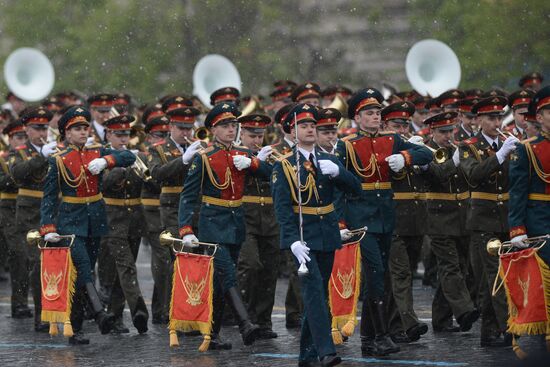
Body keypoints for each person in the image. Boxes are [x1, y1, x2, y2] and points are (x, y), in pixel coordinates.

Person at [335, 88, 432, 356]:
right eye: (370, 113)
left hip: (386, 218)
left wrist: (406, 157)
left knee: (382, 279)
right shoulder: (347, 145)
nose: (376, 116)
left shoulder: (392, 139)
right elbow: (338, 187)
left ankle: (369, 339)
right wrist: (341, 223)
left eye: (378, 112)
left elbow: (427, 155)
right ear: (357, 117)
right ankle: (380, 335)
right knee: (376, 276)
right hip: (360, 220)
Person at [271, 103, 361, 367]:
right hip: (304, 237)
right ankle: (326, 351)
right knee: (312, 294)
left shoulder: (329, 160)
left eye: (313, 125)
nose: (310, 129)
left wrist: (340, 173)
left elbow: (357, 190)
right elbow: (282, 209)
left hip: (328, 234)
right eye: (304, 125)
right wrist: (292, 241)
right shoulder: (284, 165)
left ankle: (307, 356)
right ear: (292, 130)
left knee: (319, 295)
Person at [39, 106, 136, 344]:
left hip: (95, 219)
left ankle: (76, 328)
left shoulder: (97, 152)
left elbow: (130, 156)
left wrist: (107, 160)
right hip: (71, 221)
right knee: (83, 267)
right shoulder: (58, 160)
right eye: (77, 129)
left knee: (83, 275)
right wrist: (48, 227)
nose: (83, 132)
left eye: (85, 128)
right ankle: (99, 314)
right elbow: (50, 198)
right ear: (66, 133)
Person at [178, 102, 271, 349]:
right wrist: (186, 229)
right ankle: (245, 323)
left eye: (233, 125)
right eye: (225, 126)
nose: (231, 129)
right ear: (213, 130)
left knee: (220, 282)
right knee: (228, 273)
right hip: (212, 223)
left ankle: (212, 335)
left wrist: (253, 164)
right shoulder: (204, 158)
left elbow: (271, 174)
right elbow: (188, 196)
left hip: (236, 222)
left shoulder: (243, 153)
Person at [460, 96, 519, 347]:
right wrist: (499, 157)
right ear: (479, 121)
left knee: (493, 278)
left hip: (507, 217)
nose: (497, 122)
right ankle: (509, 327)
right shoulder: (468, 146)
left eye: (499, 117)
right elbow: (472, 175)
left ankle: (489, 332)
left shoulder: (508, 142)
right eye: (491, 118)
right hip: (483, 219)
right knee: (496, 275)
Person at [423, 112, 479, 333]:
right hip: (438, 218)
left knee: (462, 267)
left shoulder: (459, 149)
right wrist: (455, 161)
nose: (448, 136)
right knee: (449, 266)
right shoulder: (424, 151)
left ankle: (441, 319)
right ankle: (464, 310)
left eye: (450, 131)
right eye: (442, 132)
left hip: (463, 217)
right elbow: (437, 175)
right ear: (432, 132)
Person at [380, 101, 428, 343]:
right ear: (384, 124)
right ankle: (408, 323)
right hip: (392, 220)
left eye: (404, 124)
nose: (401, 129)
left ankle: (393, 325)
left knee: (401, 275)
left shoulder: (407, 146)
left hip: (414, 221)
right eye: (396, 124)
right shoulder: (380, 145)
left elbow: (429, 157)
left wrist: (410, 154)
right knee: (399, 275)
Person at [9, 107, 57, 332]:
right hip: (29, 215)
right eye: (37, 128)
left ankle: (57, 311)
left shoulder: (55, 150)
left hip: (54, 212)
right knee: (36, 265)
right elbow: (18, 173)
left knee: (54, 263)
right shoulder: (19, 152)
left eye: (44, 128)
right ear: (26, 130)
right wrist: (41, 157)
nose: (41, 132)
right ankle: (41, 315)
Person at [100, 114, 149, 334]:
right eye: (118, 135)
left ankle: (114, 315)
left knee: (121, 270)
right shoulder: (100, 155)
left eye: (125, 135)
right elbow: (105, 184)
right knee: (125, 266)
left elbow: (151, 182)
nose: (123, 139)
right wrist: (120, 165)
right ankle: (139, 309)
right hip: (112, 217)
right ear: (108, 134)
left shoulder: (135, 157)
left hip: (135, 219)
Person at [236, 113, 280, 339]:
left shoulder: (269, 156)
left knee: (269, 271)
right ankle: (246, 317)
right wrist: (254, 162)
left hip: (270, 219)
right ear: (241, 133)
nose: (256, 140)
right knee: (250, 265)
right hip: (245, 217)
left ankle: (264, 321)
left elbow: (279, 174)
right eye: (252, 135)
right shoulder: (234, 154)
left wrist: (258, 162)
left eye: (260, 135)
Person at [508, 85, 550, 265]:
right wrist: (517, 228)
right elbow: (518, 191)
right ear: (539, 117)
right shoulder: (526, 148)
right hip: (540, 221)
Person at [1, 121, 30, 318]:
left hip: (28, 210)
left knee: (30, 258)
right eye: (18, 138)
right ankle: (18, 303)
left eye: (24, 137)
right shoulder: (4, 159)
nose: (22, 141)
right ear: (9, 139)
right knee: (19, 255)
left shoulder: (30, 157)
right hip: (9, 209)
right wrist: (18, 175)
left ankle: (27, 301)